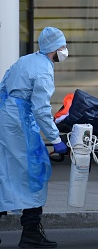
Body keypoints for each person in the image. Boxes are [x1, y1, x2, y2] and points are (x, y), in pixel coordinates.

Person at [0, 27, 69, 248]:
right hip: (19, 123)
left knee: (4, 174)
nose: (64, 51)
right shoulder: (43, 70)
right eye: (63, 47)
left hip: (5, 119)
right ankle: (31, 233)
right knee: (35, 172)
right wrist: (56, 139)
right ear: (55, 49)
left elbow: (3, 87)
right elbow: (40, 110)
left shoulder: (25, 60)